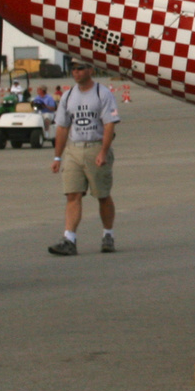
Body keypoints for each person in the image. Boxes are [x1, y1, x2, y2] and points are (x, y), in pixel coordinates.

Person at [48, 60, 119, 256]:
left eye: (80, 68)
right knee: (72, 194)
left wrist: (103, 152)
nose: (76, 72)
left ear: (90, 70)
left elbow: (109, 125)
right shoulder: (68, 96)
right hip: (74, 149)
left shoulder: (102, 93)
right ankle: (69, 239)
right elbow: (62, 127)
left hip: (95, 147)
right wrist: (57, 157)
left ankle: (108, 235)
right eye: (74, 69)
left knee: (102, 195)